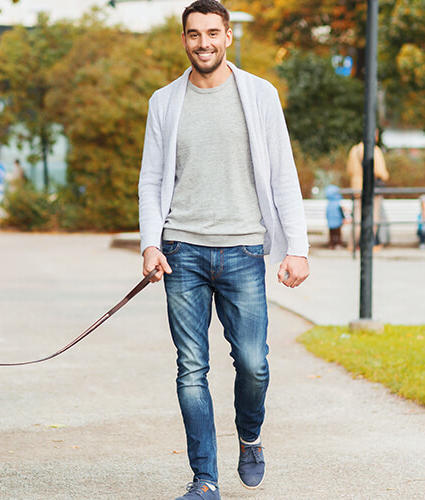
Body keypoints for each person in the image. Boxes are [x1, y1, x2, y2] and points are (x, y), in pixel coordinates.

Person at [137, 2, 309, 498]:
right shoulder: (165, 101)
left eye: (213, 33)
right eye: (194, 34)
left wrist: (295, 248)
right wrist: (151, 243)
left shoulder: (259, 94)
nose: (203, 43)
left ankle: (250, 437)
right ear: (184, 40)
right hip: (182, 252)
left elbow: (282, 174)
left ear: (229, 36)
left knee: (253, 363)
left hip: (243, 251)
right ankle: (204, 479)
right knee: (192, 367)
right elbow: (151, 180)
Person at [345, 131, 390, 249]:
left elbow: (350, 169)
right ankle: (368, 244)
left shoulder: (354, 150)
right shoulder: (374, 150)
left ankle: (353, 244)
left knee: (357, 217)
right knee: (373, 216)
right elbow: (379, 171)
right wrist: (385, 175)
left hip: (357, 187)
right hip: (371, 188)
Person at [324, 184, 346, 249]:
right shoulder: (337, 202)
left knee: (332, 234)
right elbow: (341, 211)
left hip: (331, 222)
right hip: (337, 221)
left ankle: (332, 244)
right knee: (338, 233)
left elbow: (327, 213)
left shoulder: (329, 204)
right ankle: (338, 243)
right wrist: (343, 218)